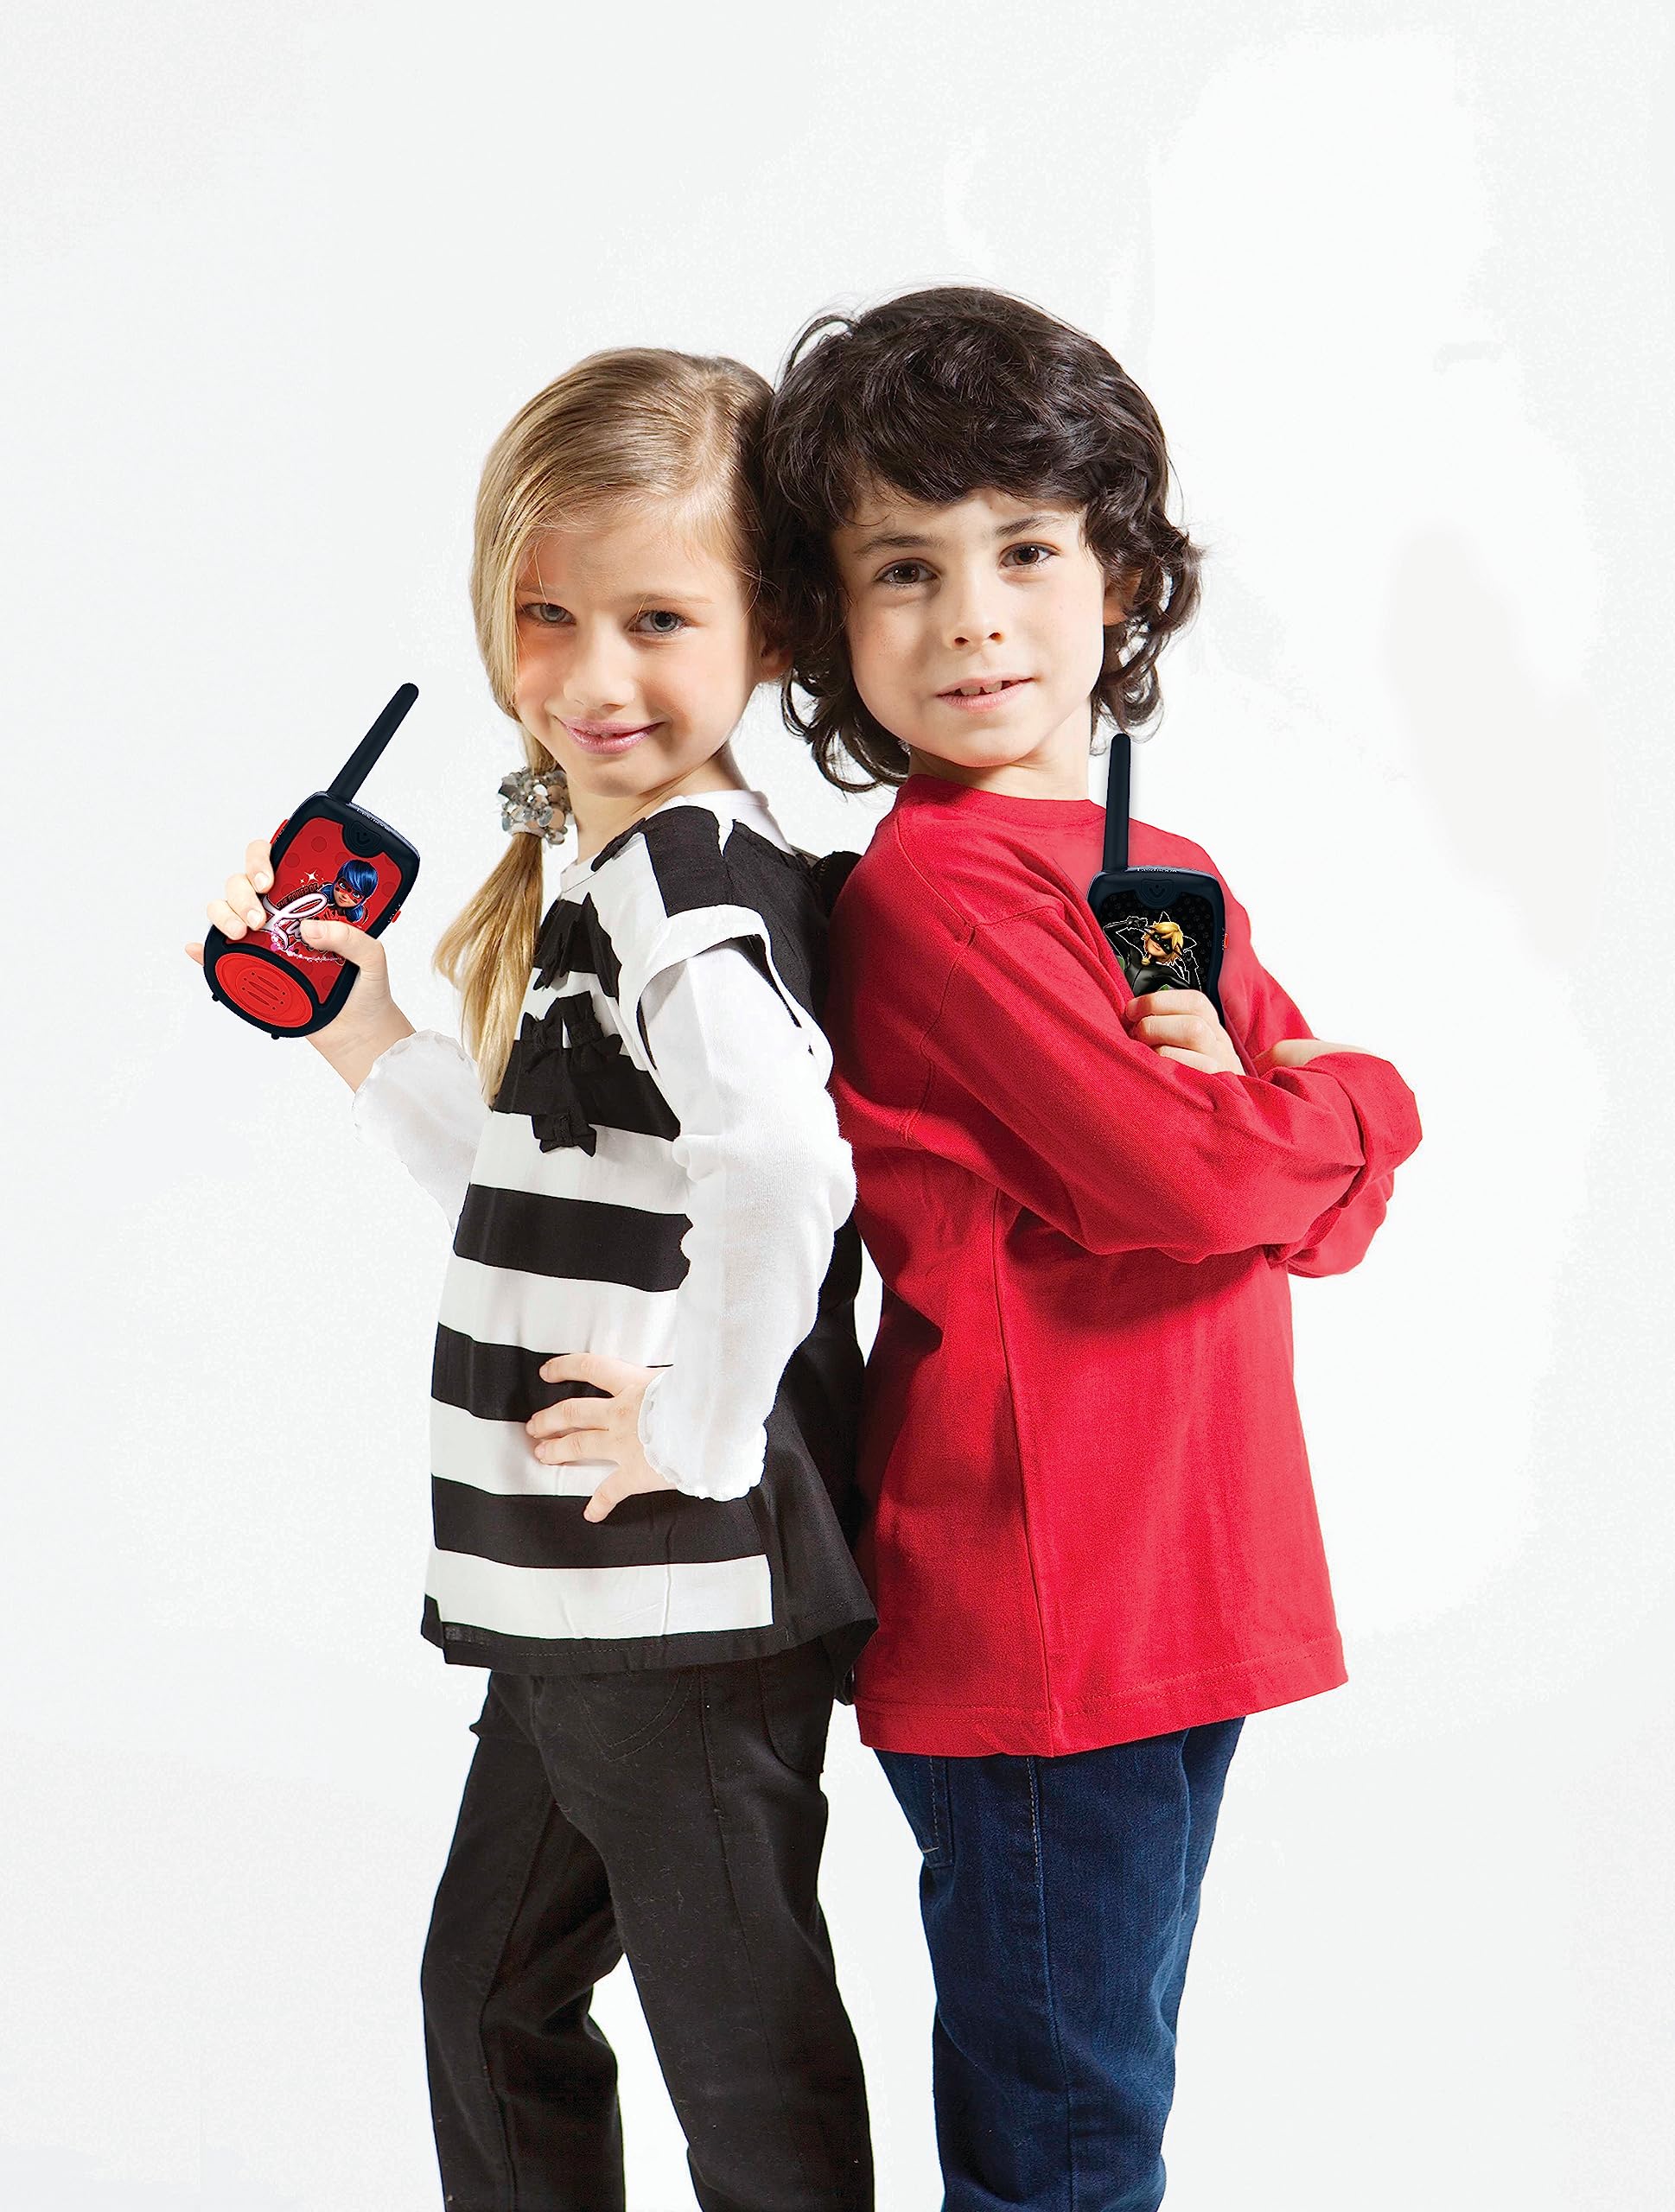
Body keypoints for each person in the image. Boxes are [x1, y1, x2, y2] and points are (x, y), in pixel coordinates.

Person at [760, 286, 1424, 2212]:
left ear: (1119, 573)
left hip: (1185, 1576)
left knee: (1102, 2086)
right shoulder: (941, 896)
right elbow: (1206, 1188)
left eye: (1026, 550)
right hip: (1047, 1606)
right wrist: (1354, 1097)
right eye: (905, 567)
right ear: (827, 622)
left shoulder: (1161, 875)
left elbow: (1325, 1216)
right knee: (1068, 2133)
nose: (973, 616)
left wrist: (1297, 1124)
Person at [189, 348, 876, 2212]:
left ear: (772, 630)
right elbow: (541, 1183)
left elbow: (785, 1166)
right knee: (493, 1999)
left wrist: (699, 1437)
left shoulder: (682, 887)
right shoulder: (614, 872)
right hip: (583, 1594)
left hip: (670, 1593)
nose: (591, 674)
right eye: (549, 614)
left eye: (659, 619)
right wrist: (356, 1021)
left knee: (736, 2053)